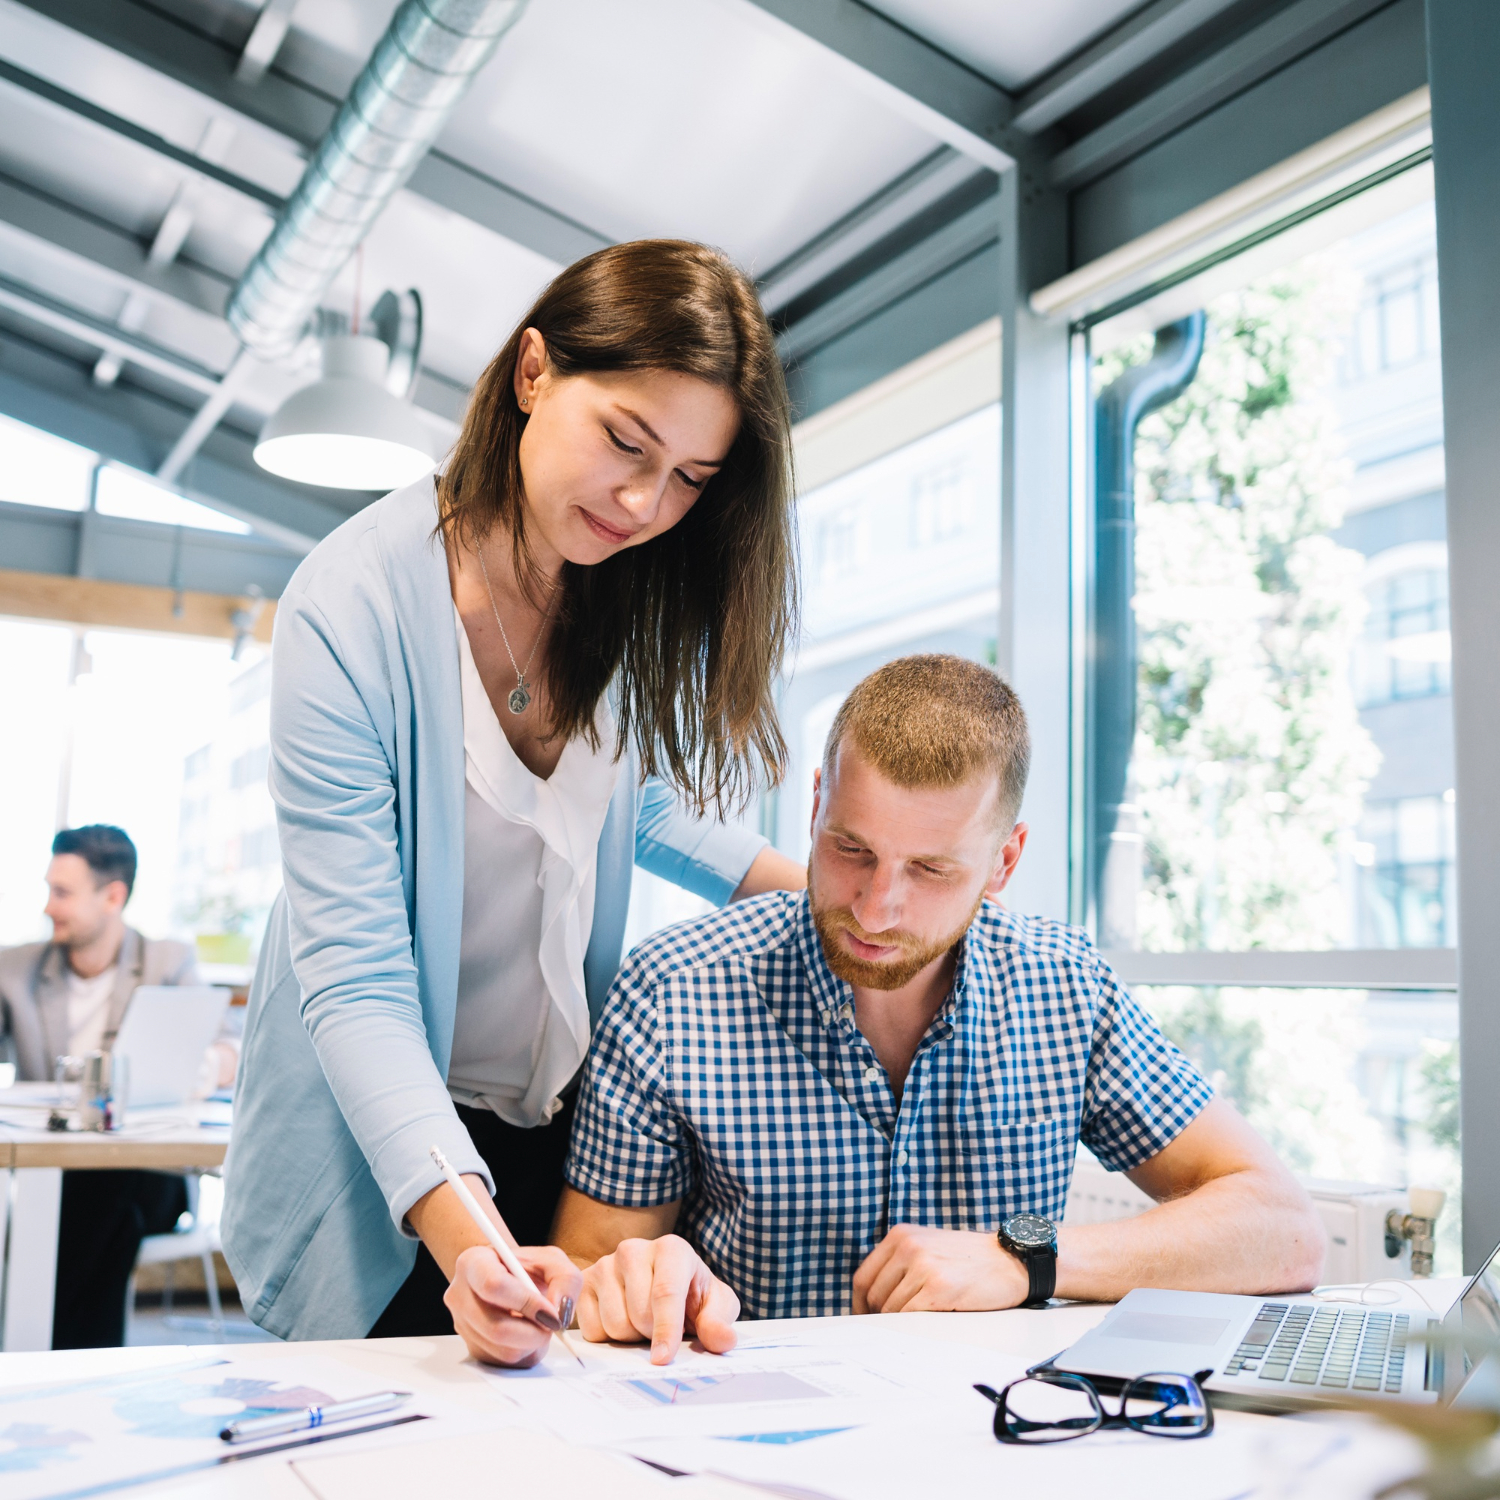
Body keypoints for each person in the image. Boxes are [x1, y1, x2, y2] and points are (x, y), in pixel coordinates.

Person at [222, 240, 806, 1361]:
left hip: (554, 1132)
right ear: (534, 373)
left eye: (691, 478)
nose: (645, 500)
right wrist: (468, 1233)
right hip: (386, 1153)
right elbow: (356, 981)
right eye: (627, 441)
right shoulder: (351, 608)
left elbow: (621, 809)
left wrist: (840, 890)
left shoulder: (613, 593)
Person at [553, 655, 1327, 1362]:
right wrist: (641, 1282)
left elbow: (1284, 1230)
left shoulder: (1062, 987)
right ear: (816, 804)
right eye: (851, 849)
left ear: (1004, 863)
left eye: (930, 869)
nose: (877, 909)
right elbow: (584, 1277)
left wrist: (1026, 1259)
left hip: (994, 1442)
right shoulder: (673, 990)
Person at [0, 824, 235, 1348]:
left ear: (113, 896)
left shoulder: (167, 962)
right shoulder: (17, 969)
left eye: (61, 893)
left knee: (98, 1197)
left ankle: (34, 1350)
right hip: (55, 1168)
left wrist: (199, 1067)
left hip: (150, 1169)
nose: (48, 907)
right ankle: (77, 1361)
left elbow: (229, 1050)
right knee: (100, 1208)